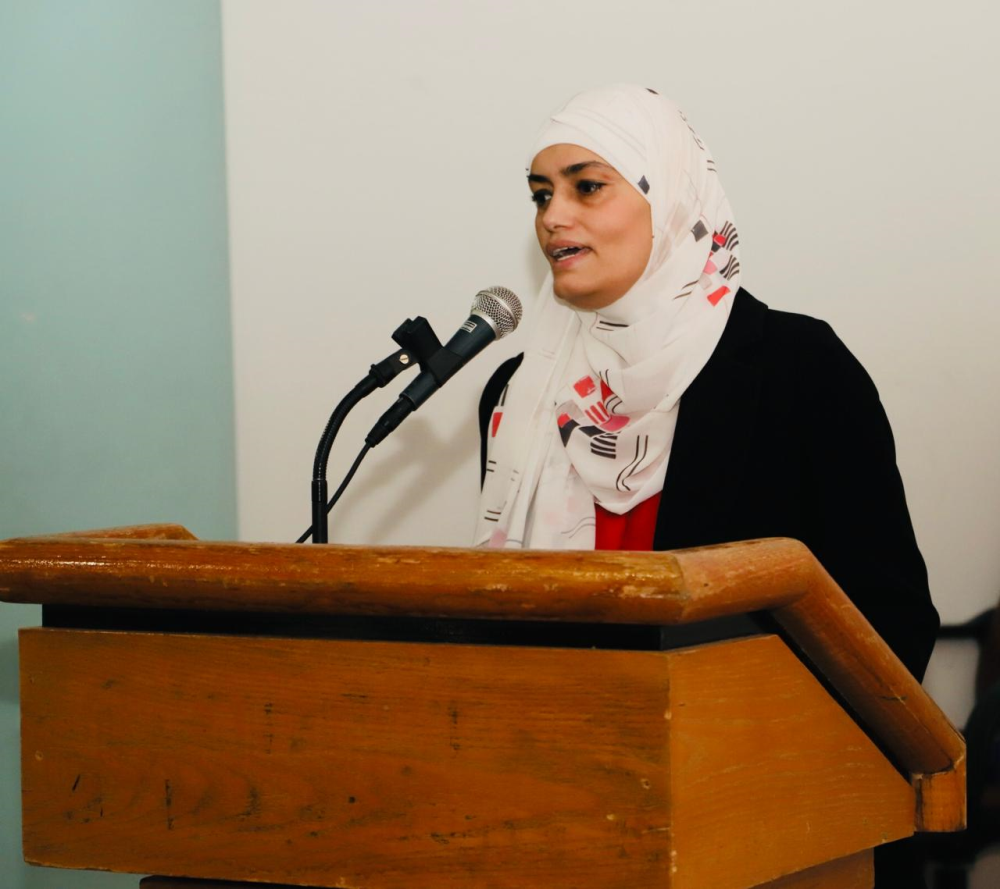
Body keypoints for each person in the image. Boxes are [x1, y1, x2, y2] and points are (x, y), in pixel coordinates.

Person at [475, 84, 938, 887]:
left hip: (771, 818)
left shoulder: (797, 370)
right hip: (560, 809)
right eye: (541, 194)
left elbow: (888, 619)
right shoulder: (519, 393)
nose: (553, 217)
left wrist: (753, 759)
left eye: (587, 186)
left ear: (671, 198)